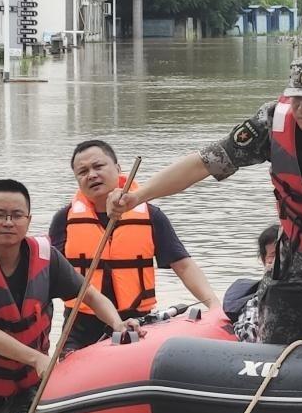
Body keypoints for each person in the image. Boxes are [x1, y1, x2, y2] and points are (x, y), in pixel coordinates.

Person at [109, 54, 302, 360]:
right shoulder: (272, 121)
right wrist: (138, 197)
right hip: (300, 249)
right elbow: (206, 162)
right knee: (274, 349)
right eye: (297, 98)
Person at [0, 179, 141, 413]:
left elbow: (91, 296)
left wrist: (117, 323)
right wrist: (38, 359)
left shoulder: (48, 259)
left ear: (29, 219)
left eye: (17, 215)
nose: (8, 223)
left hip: (28, 383)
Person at [50, 139, 219, 354]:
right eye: (82, 171)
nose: (91, 175)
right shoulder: (63, 219)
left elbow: (183, 266)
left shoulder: (151, 215)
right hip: (81, 325)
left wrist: (213, 305)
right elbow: (50, 276)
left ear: (118, 169)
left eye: (98, 166)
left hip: (138, 322)